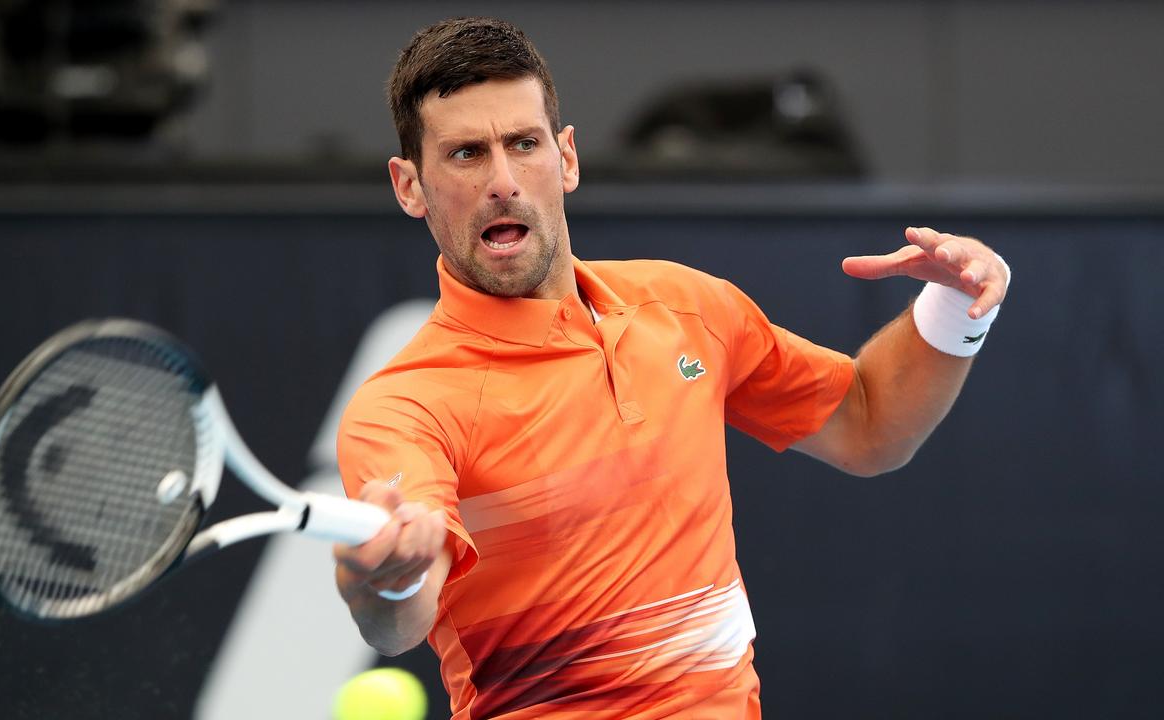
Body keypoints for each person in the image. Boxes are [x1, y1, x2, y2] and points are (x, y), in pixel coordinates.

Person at [332, 16, 1010, 720]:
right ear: (409, 186)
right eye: (467, 154)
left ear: (565, 158)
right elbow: (402, 616)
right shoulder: (403, 408)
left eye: (523, 144)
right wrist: (383, 579)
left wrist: (957, 308)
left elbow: (869, 424)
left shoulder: (687, 307)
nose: (503, 181)